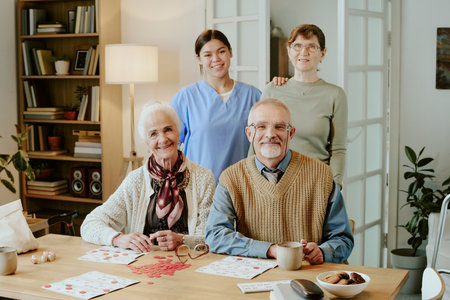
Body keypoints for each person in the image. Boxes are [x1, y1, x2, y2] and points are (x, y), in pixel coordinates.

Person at [205, 99, 353, 264]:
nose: (270, 134)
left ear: (291, 133)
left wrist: (323, 252)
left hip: (309, 276)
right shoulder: (231, 178)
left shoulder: (322, 176)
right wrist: (271, 250)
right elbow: (215, 235)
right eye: (261, 126)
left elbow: (343, 239)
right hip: (254, 278)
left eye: (279, 127)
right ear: (249, 134)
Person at [81, 103, 215, 253]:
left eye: (168, 129)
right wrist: (118, 238)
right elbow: (90, 224)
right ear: (146, 143)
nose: (163, 139)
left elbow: (210, 235)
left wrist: (181, 240)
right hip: (144, 265)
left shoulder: (203, 178)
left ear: (179, 133)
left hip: (189, 262)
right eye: (153, 134)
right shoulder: (135, 180)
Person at [262, 24, 347, 187]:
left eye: (311, 47)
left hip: (316, 183)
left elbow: (338, 150)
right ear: (288, 51)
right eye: (297, 46)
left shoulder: (335, 95)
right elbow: (257, 142)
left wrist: (333, 188)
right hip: (274, 183)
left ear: (323, 54)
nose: (303, 52)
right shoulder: (272, 90)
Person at [170, 29, 261, 182]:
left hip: (242, 185)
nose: (216, 59)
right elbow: (170, 143)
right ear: (198, 59)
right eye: (207, 55)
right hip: (199, 186)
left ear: (230, 52)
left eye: (221, 52)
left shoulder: (253, 96)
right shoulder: (186, 97)